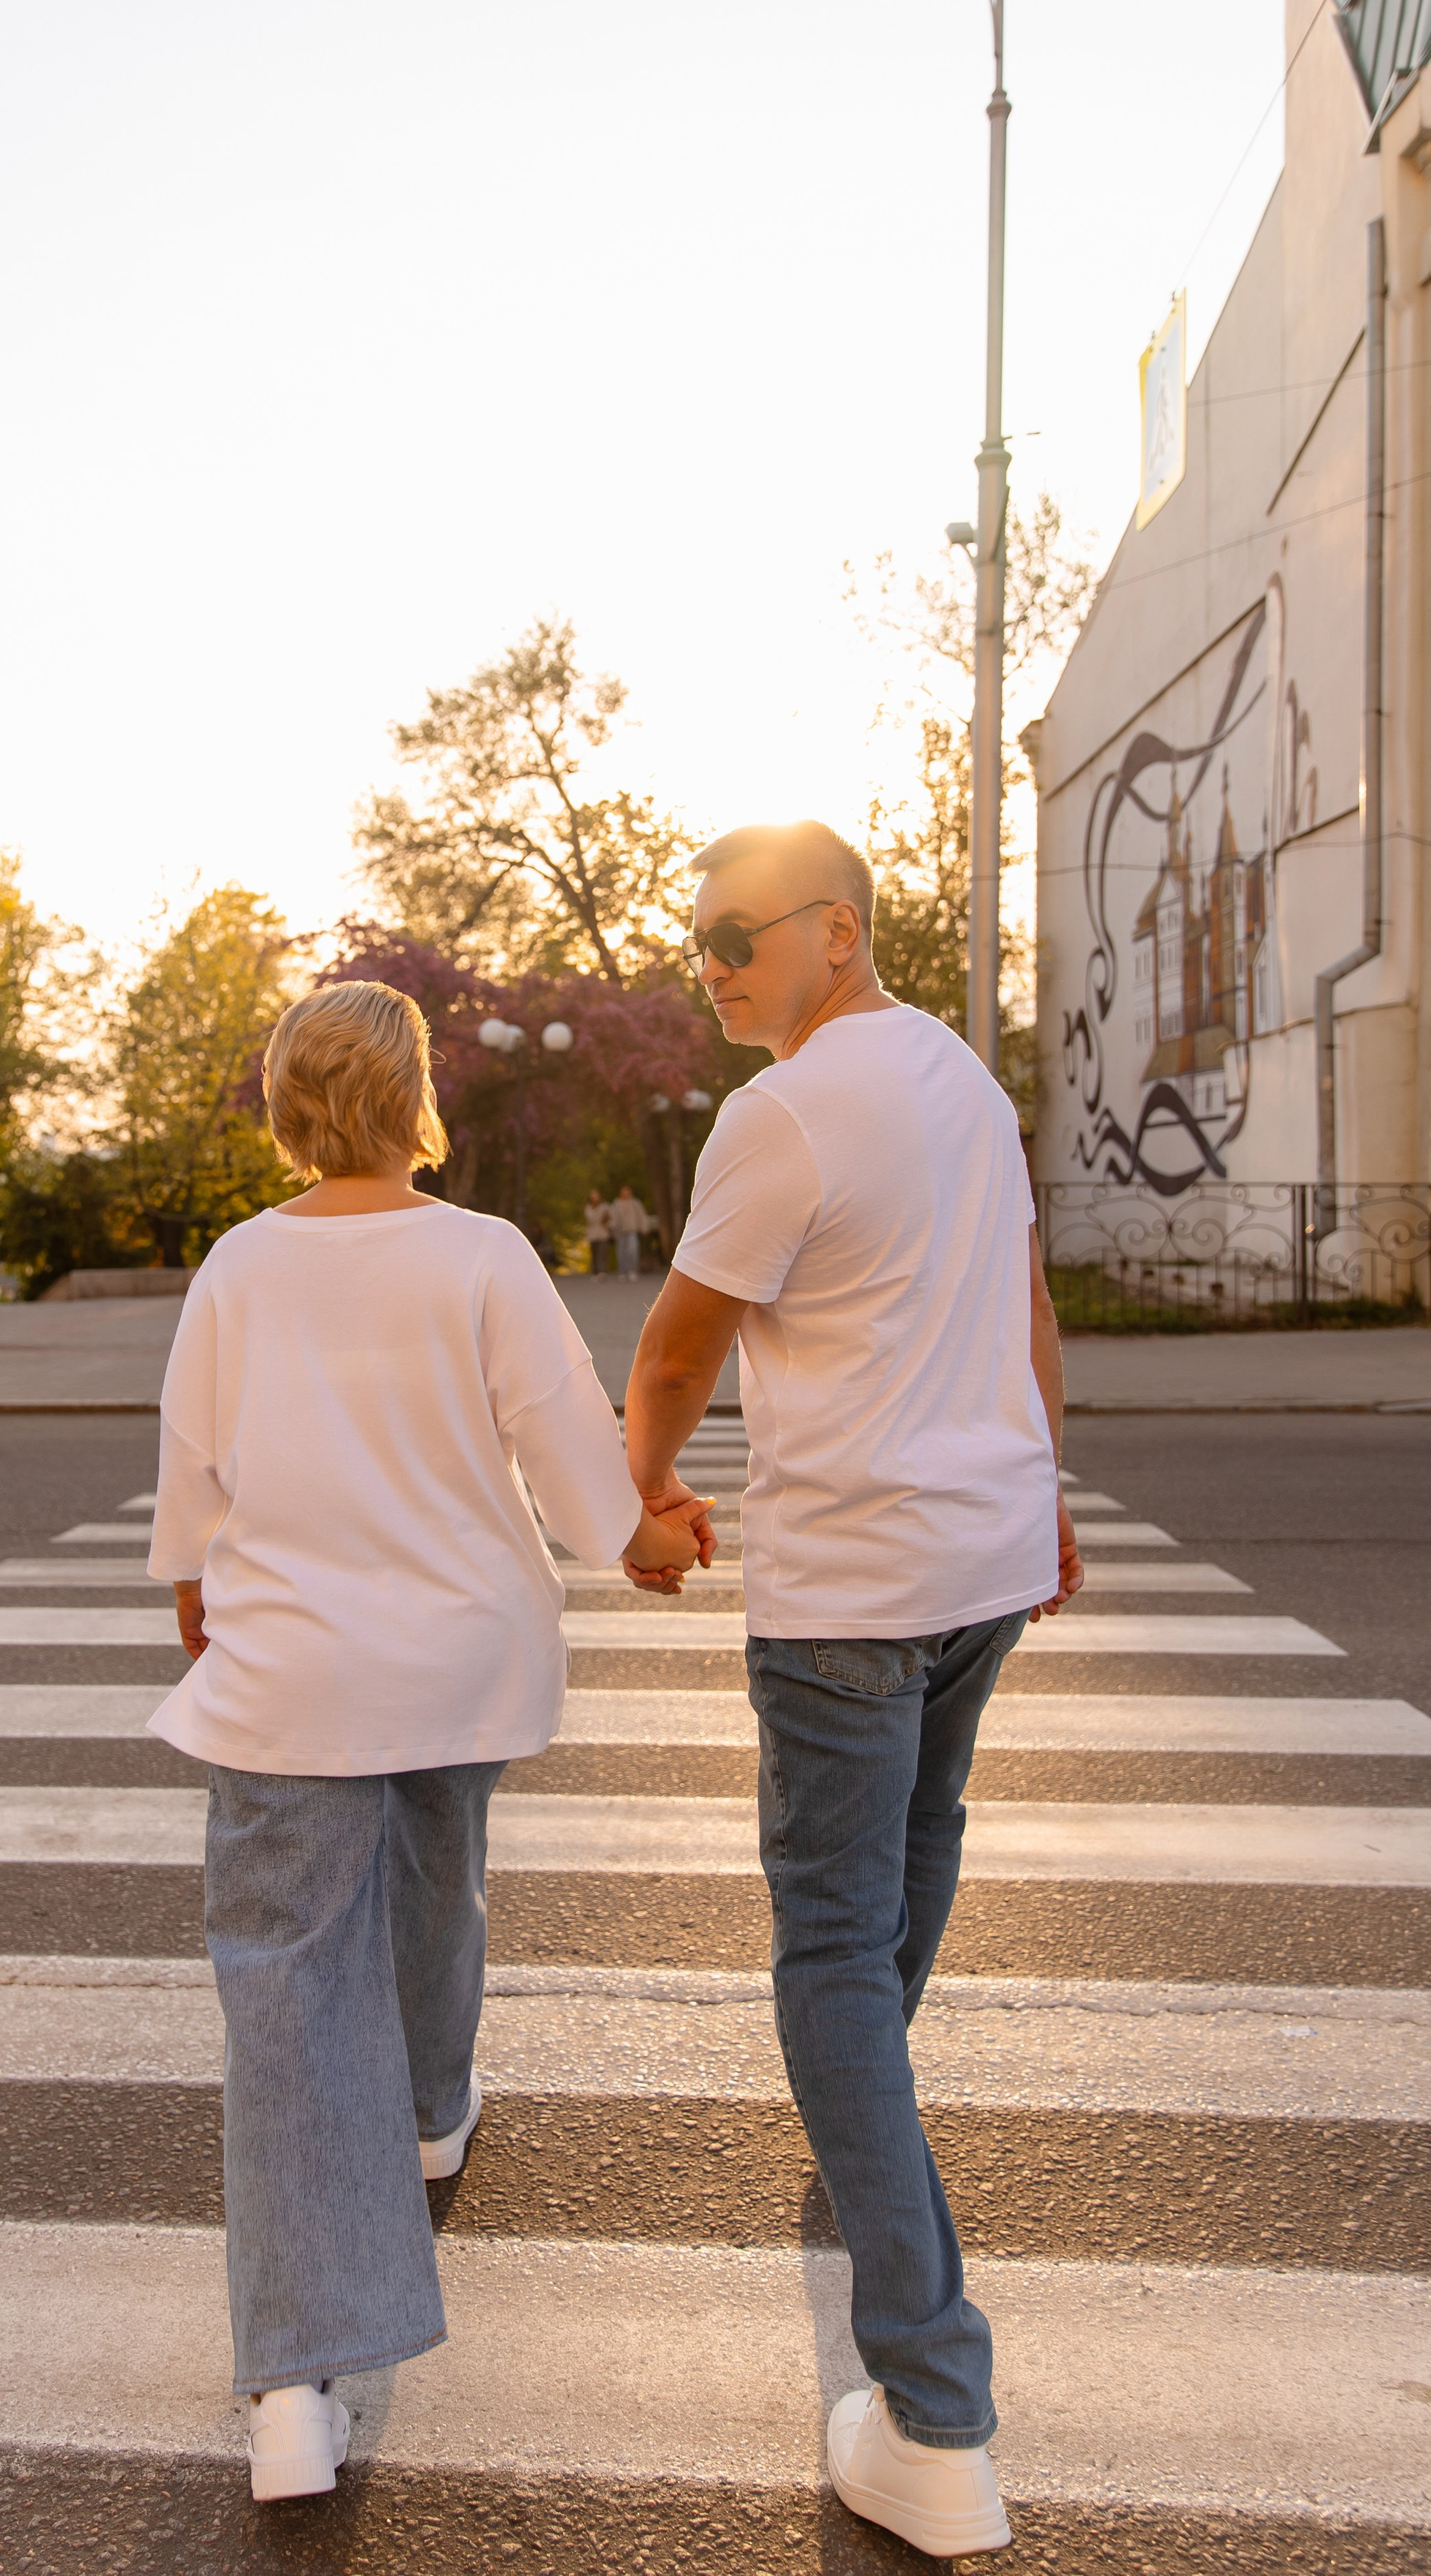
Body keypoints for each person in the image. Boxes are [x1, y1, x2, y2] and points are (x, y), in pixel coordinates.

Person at [144, 980, 709, 2506]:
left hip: (294, 1673)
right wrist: (647, 1535)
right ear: (416, 1105)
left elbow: (194, 1464)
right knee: (438, 1878)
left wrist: (194, 1579)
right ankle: (429, 2114)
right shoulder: (482, 1254)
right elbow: (568, 1454)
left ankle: (294, 2382)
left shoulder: (239, 1267)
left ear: (286, 1110)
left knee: (287, 1991)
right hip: (458, 1659)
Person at [624, 820, 1082, 2561]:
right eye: (696, 943)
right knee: (911, 1855)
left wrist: (641, 1497)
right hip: (975, 1564)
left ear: (838, 927)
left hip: (850, 1589)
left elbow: (678, 1345)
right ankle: (860, 2113)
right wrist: (1044, 1492)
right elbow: (1024, 1308)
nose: (712, 965)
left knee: (826, 1946)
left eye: (736, 932)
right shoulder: (963, 1080)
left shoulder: (784, 1110)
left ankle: (933, 2410)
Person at [609, 1182, 650, 1278]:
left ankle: (633, 1270)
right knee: (621, 1252)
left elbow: (642, 1216)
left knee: (633, 1250)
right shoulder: (616, 1203)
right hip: (620, 1230)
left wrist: (644, 1227)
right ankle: (623, 1272)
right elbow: (612, 1217)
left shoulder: (635, 1203)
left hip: (632, 1230)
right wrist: (612, 1228)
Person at [582, 1187, 612, 1273]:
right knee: (594, 1254)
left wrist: (606, 1223)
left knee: (602, 1254)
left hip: (603, 1234)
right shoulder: (588, 1208)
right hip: (592, 1235)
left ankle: (602, 1272)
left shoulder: (605, 1207)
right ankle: (595, 1272)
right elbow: (590, 1218)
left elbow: (612, 1220)